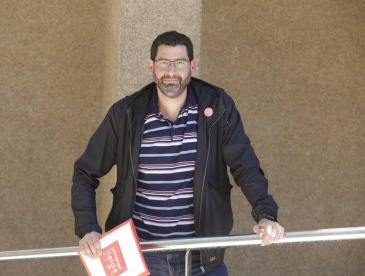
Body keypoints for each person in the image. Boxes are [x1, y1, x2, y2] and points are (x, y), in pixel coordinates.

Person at [72, 30, 285, 275]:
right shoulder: (126, 114)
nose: (171, 71)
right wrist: (88, 227)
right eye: (163, 62)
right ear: (150, 66)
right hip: (140, 256)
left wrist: (266, 215)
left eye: (180, 62)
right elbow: (84, 172)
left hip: (201, 256)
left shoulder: (217, 106)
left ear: (192, 66)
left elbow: (244, 165)